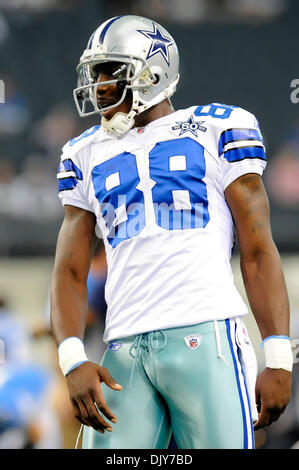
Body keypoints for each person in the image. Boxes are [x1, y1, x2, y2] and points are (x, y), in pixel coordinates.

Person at [50, 15, 292, 449]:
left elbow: (257, 249)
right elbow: (69, 270)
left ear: (153, 71)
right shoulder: (82, 153)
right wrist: (71, 359)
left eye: (112, 71)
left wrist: (277, 354)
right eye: (96, 72)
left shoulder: (219, 129)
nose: (99, 84)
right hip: (123, 347)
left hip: (208, 338)